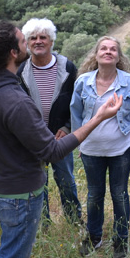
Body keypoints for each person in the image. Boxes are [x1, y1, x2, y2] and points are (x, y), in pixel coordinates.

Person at [0, 22, 122, 258]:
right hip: (20, 192)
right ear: (14, 53)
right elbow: (52, 151)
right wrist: (97, 118)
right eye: (22, 40)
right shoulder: (15, 100)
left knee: (16, 253)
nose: (29, 42)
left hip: (3, 185)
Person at [71, 36, 130, 258]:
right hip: (90, 149)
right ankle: (94, 237)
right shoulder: (83, 82)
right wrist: (78, 140)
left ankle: (121, 241)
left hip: (121, 149)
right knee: (94, 194)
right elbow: (75, 114)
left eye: (113, 49)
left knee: (119, 194)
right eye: (103, 48)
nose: (108, 52)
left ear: (118, 56)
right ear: (95, 55)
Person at [17, 18, 82, 225]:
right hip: (33, 139)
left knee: (66, 181)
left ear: (51, 41)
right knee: (37, 185)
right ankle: (41, 225)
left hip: (60, 137)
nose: (38, 41)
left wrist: (67, 127)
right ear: (27, 42)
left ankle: (74, 222)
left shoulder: (68, 67)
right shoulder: (20, 72)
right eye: (33, 38)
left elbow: (77, 102)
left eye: (43, 37)